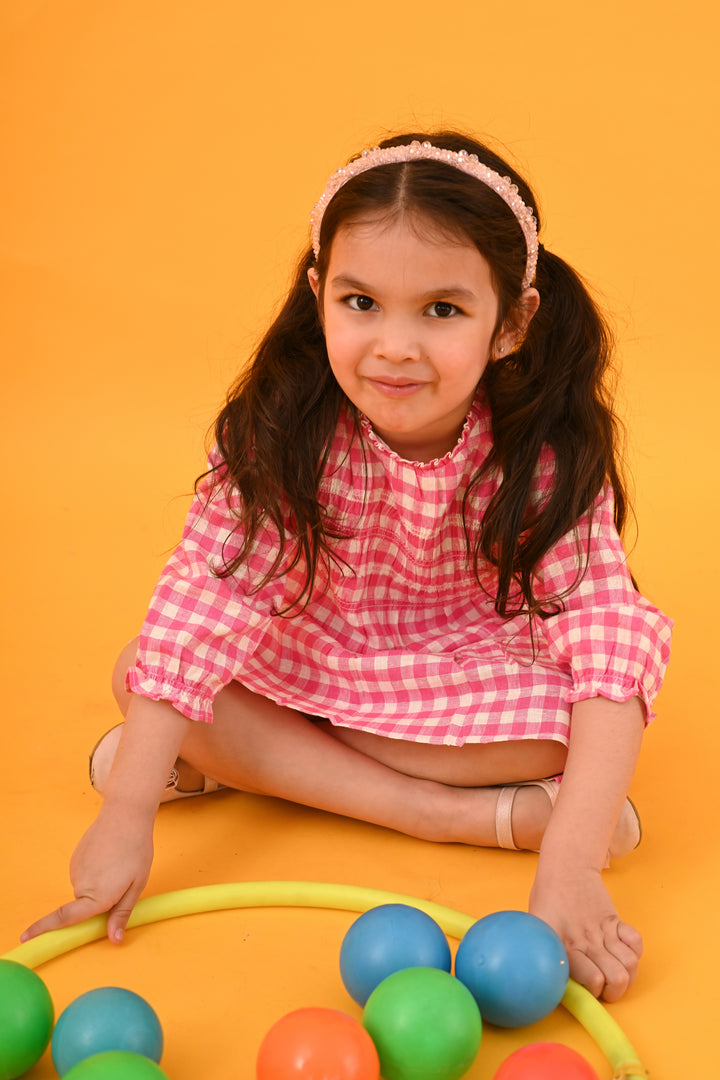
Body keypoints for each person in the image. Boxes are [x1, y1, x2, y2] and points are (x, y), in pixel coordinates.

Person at [22, 132, 672, 1003]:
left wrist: (571, 863)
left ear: (512, 322)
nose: (393, 348)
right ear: (318, 292)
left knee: (573, 730)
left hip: (462, 665)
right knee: (141, 672)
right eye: (361, 302)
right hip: (313, 652)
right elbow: (206, 600)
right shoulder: (283, 429)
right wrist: (127, 814)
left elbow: (605, 637)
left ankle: (265, 766)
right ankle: (443, 816)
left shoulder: (544, 448)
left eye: (442, 310)